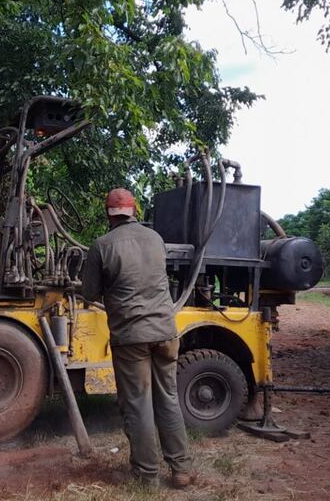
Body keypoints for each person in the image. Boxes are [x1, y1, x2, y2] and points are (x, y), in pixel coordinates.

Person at [81, 187, 193, 489]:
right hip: (166, 332)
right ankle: (181, 469)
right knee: (167, 397)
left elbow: (89, 292)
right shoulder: (156, 238)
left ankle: (147, 476)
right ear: (134, 211)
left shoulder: (102, 245)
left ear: (108, 213)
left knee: (138, 403)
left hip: (132, 337)